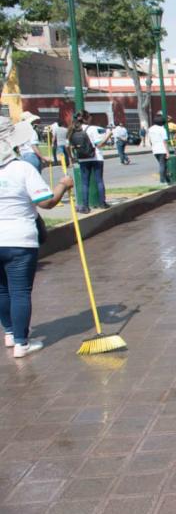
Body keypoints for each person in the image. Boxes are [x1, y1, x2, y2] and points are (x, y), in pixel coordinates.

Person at [0, 117, 75, 357]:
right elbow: (47, 202)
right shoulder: (21, 168)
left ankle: (11, 333)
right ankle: (22, 342)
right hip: (20, 239)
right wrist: (63, 185)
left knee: (2, 290)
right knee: (20, 291)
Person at [67, 111, 111, 212]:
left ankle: (85, 206)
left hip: (82, 158)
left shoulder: (72, 129)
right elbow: (99, 145)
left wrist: (71, 158)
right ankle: (102, 203)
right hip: (96, 157)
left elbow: (67, 146)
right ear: (87, 118)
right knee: (99, 180)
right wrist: (108, 135)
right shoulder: (93, 129)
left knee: (84, 183)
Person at [148, 114, 171, 185]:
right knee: (163, 165)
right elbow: (164, 141)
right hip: (162, 149)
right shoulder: (162, 129)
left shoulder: (150, 129)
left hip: (155, 149)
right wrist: (167, 152)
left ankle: (167, 180)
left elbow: (150, 140)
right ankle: (162, 180)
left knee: (162, 165)